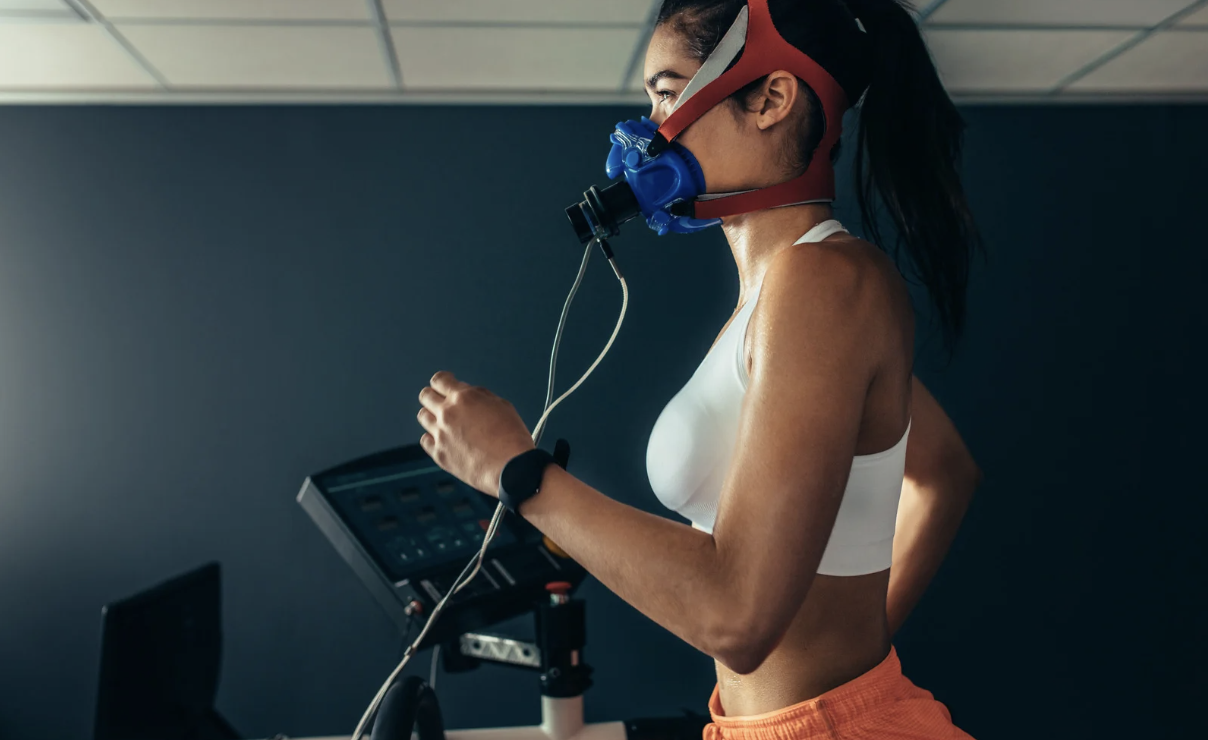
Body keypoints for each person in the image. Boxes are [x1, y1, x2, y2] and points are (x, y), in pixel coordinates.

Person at [416, 0, 982, 737]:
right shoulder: (781, 300)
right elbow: (944, 470)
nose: (646, 129)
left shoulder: (820, 286)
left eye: (665, 90)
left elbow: (737, 617)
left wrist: (517, 474)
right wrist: (847, 668)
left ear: (771, 98)